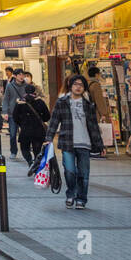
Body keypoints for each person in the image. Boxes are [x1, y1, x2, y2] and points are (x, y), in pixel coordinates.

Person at [45, 75, 105, 209]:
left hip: (85, 143)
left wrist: (100, 145)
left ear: (84, 89)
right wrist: (48, 138)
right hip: (68, 142)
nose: (78, 87)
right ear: (71, 86)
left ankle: (81, 199)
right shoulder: (62, 102)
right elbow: (54, 121)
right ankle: (71, 193)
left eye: (81, 85)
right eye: (76, 84)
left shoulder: (89, 105)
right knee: (70, 171)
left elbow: (94, 127)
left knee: (84, 174)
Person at [12, 84, 50, 166]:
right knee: (37, 150)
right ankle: (36, 163)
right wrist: (41, 120)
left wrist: (22, 123)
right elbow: (47, 116)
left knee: (24, 149)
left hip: (25, 130)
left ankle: (30, 161)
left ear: (25, 91)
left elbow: (15, 117)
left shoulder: (20, 103)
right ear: (34, 91)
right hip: (38, 131)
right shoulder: (40, 102)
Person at [1, 68, 27, 154]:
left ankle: (25, 151)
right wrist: (4, 111)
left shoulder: (27, 86)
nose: (21, 76)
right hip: (12, 114)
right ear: (15, 76)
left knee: (25, 134)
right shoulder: (10, 86)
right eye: (19, 74)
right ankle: (13, 151)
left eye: (23, 74)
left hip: (24, 113)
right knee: (12, 134)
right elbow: (6, 99)